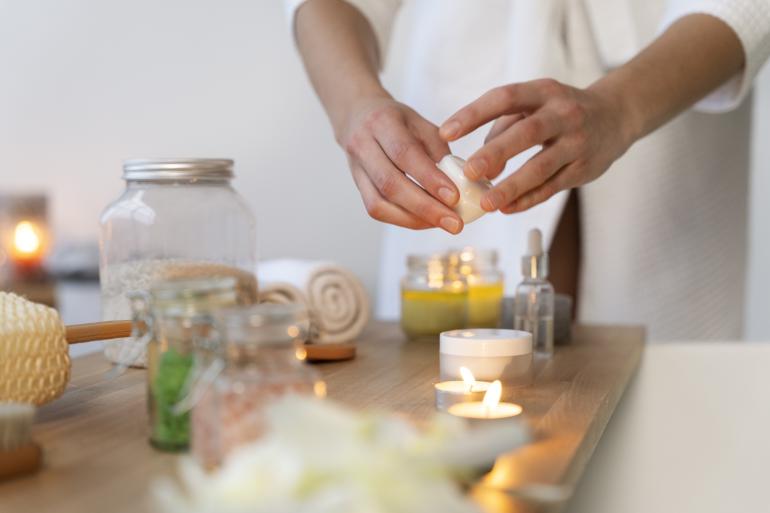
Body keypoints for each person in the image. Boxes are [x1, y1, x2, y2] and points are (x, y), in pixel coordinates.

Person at [287, 0, 770, 340]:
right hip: (462, 101)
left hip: (671, 89)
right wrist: (355, 104)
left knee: (661, 435)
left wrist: (623, 108)